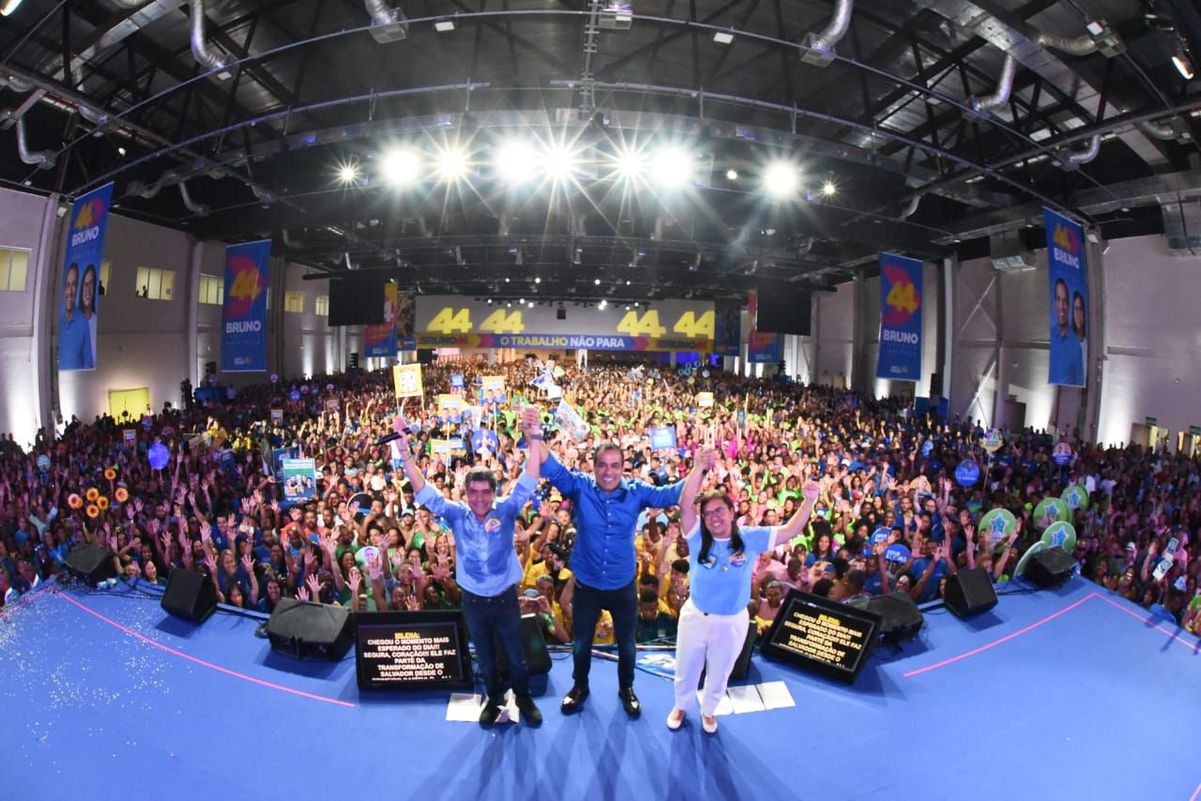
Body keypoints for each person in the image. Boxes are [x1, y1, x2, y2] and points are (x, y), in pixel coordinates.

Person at [393, 407, 544, 727]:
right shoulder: (456, 514)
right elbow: (423, 492)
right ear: (465, 493)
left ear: (494, 492)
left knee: (516, 657)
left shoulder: (506, 509)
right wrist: (404, 450)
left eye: (485, 492)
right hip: (473, 601)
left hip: (504, 599)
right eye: (473, 492)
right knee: (486, 659)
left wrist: (535, 437)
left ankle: (525, 698)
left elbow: (530, 479)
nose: (478, 498)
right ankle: (495, 698)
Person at [666, 448, 819, 733]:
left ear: (732, 512)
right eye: (708, 513)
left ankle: (709, 711)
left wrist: (809, 500)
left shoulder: (751, 538)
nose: (713, 518)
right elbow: (686, 504)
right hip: (696, 615)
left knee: (721, 670)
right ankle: (682, 705)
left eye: (719, 511)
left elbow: (791, 529)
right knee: (686, 667)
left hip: (732, 620)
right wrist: (700, 468)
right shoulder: (698, 536)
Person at [535, 435, 685, 718]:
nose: (608, 472)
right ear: (593, 467)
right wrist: (534, 436)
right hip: (588, 583)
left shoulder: (637, 491)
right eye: (602, 465)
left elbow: (670, 494)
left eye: (615, 465)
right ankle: (580, 687)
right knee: (581, 643)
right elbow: (552, 467)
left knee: (628, 645)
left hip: (622, 584)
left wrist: (701, 467)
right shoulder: (580, 486)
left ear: (623, 467)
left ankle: (626, 689)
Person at [57, 262, 94, 370]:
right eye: (68, 285)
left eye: (73, 285)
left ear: (77, 288)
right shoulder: (60, 323)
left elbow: (88, 363)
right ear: (64, 289)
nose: (70, 291)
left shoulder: (83, 322)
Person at [1049, 277, 1082, 386]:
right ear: (1054, 302)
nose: (1062, 307)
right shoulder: (1050, 335)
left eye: (1065, 301)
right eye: (1058, 299)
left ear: (1069, 305)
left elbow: (1079, 381)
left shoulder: (1076, 344)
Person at [79, 263, 98, 368]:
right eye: (85, 284)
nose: (87, 289)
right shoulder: (75, 322)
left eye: (90, 283)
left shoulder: (96, 321)